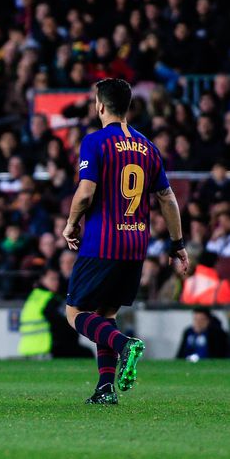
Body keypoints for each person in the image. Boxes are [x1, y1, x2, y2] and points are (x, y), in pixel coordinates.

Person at [63, 78, 190, 405]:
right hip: (135, 245)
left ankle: (124, 345)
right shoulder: (148, 147)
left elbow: (86, 192)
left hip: (102, 243)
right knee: (105, 313)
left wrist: (71, 223)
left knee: (75, 312)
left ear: (100, 106)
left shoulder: (95, 142)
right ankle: (105, 388)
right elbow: (168, 198)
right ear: (128, 106)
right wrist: (177, 243)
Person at [18, 268, 92, 359]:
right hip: (46, 349)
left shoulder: (34, 296)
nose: (56, 282)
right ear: (42, 279)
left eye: (57, 279)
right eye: (52, 279)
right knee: (87, 354)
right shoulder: (50, 299)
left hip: (28, 350)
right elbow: (62, 325)